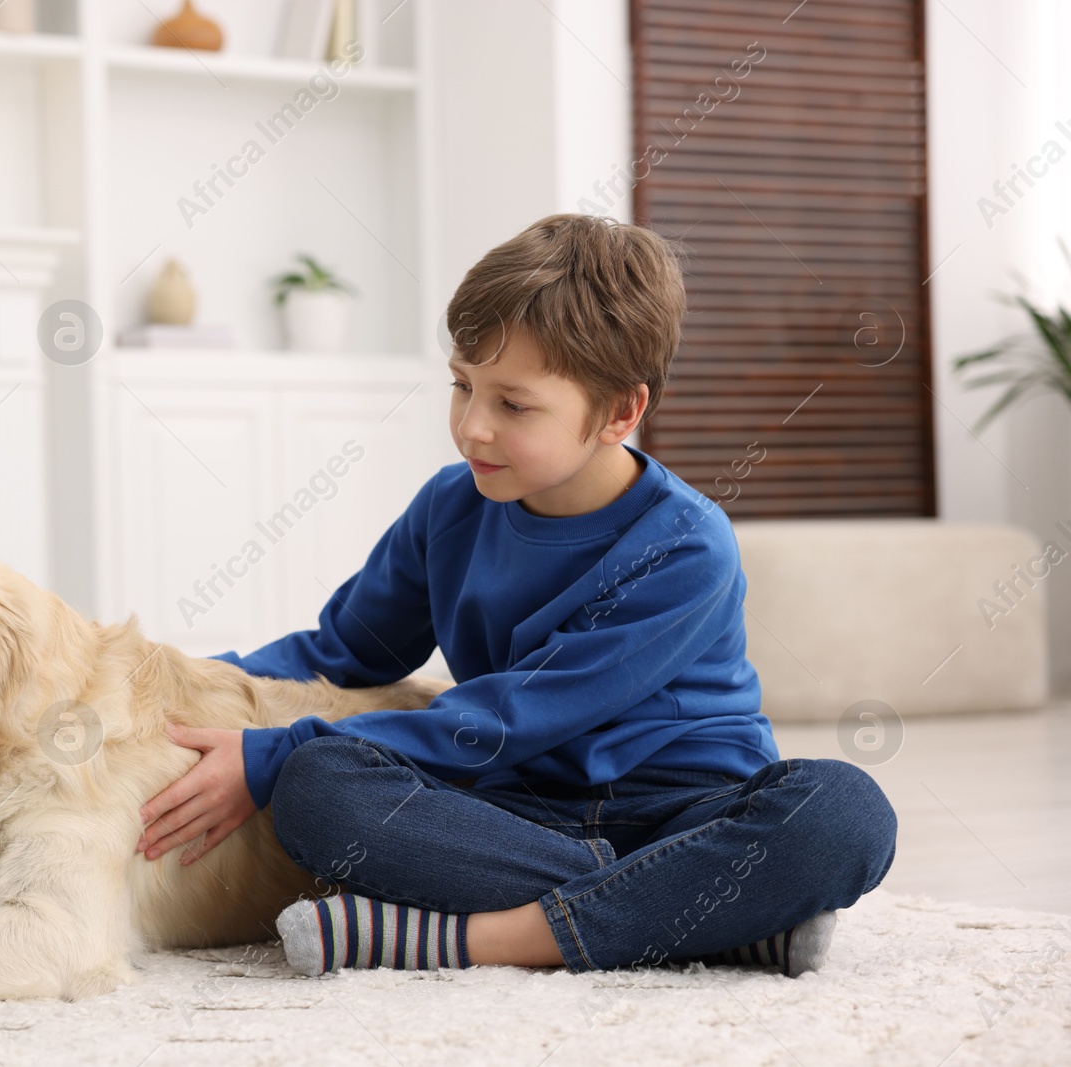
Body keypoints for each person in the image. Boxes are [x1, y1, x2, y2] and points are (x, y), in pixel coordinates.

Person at [134, 213, 897, 979]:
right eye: (462, 387)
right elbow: (342, 652)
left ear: (621, 413)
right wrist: (176, 679)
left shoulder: (688, 542)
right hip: (516, 816)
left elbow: (510, 715)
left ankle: (477, 940)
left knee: (842, 814)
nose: (471, 428)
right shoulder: (449, 507)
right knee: (317, 790)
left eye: (514, 405)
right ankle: (707, 923)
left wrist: (272, 751)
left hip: (685, 812)